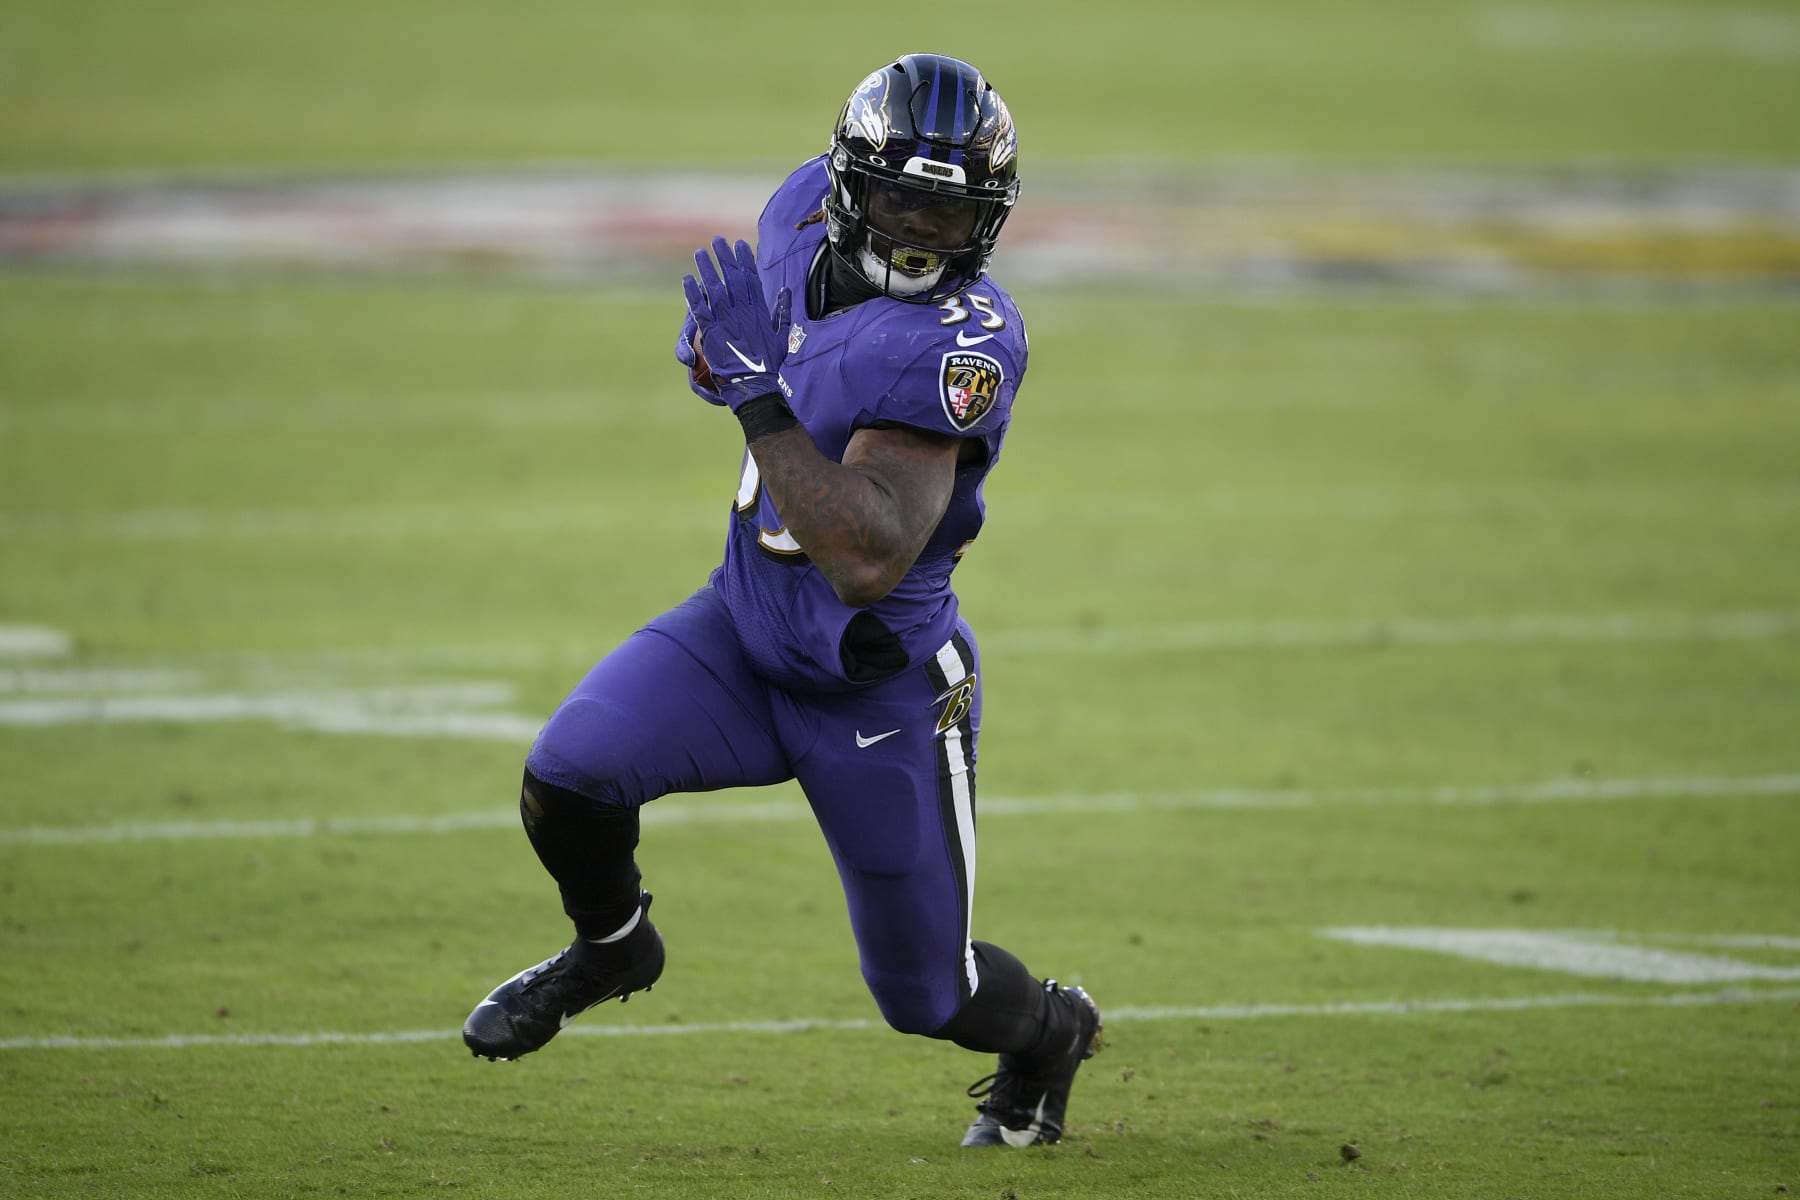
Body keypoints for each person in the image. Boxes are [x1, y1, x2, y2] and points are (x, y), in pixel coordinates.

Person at [463, 52, 1101, 1149]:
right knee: (568, 778)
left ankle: (1050, 1031)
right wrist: (719, 357)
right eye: (899, 200)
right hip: (743, 629)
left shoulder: (964, 346)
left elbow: (865, 556)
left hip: (877, 689)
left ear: (989, 223)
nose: (920, 232)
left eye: (949, 215)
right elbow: (762, 337)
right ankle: (612, 947)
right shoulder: (799, 211)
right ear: (846, 185)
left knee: (925, 994)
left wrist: (756, 396)